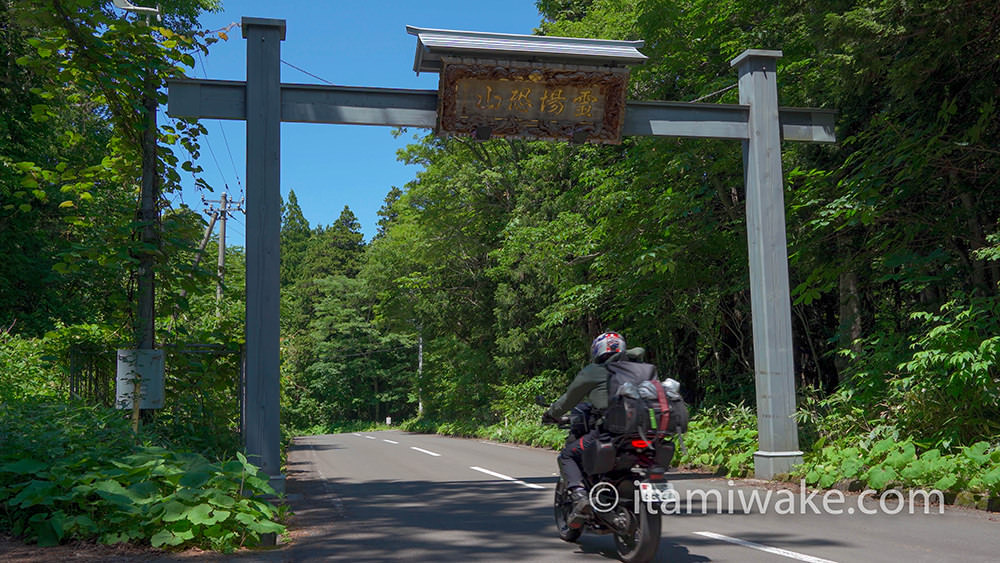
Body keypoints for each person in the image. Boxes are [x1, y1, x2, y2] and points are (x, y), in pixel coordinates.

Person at [543, 332, 644, 528]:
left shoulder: (594, 371)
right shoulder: (640, 369)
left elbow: (568, 399)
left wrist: (551, 413)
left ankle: (580, 496)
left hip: (609, 433)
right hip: (643, 433)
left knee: (567, 456)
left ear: (598, 350)